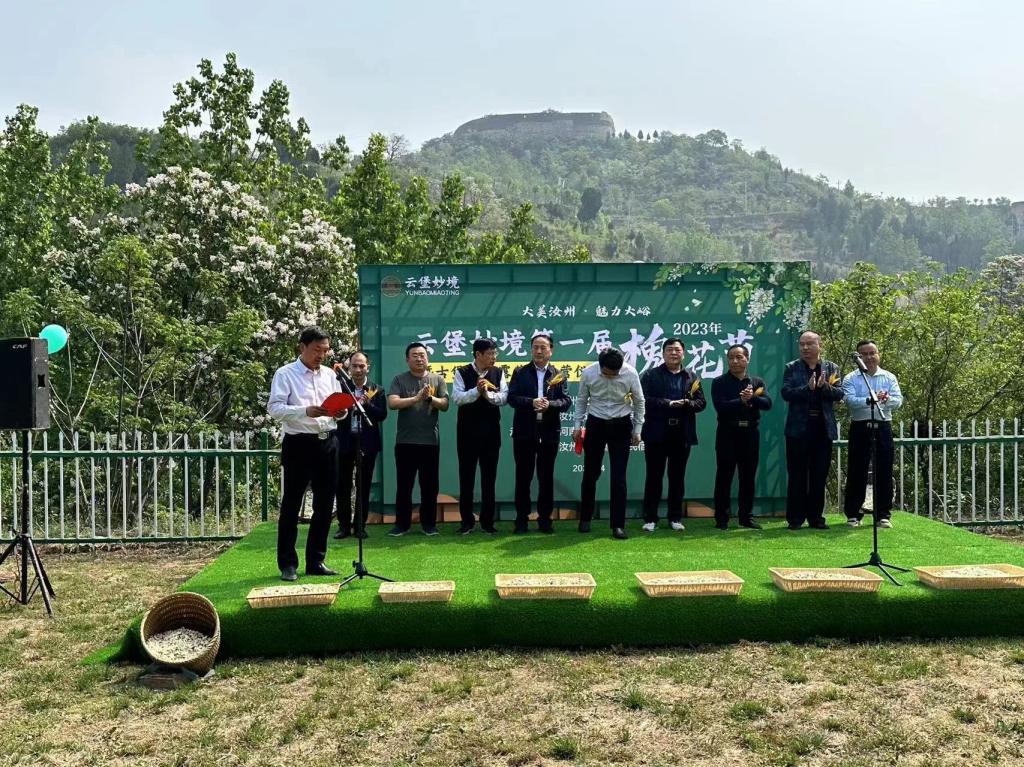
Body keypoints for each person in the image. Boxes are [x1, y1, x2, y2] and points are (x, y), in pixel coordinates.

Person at [266, 326, 343, 581]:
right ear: (302, 347)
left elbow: (336, 407)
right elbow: (275, 409)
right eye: (317, 350)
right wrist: (304, 411)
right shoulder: (285, 373)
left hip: (328, 442)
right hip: (299, 444)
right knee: (292, 504)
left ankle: (316, 561)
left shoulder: (330, 375)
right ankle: (288, 564)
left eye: (325, 350)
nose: (321, 355)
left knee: (325, 505)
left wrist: (340, 412)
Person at [572, 347, 645, 539]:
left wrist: (637, 429)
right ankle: (585, 518)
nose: (611, 376)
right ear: (600, 365)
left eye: (615, 373)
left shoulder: (630, 373)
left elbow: (639, 401)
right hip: (596, 423)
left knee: (618, 477)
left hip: (621, 424)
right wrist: (577, 426)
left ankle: (618, 525)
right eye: (607, 373)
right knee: (591, 473)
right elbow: (581, 400)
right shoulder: (589, 373)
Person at [507, 334, 572, 533]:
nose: (538, 351)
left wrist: (549, 404)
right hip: (524, 431)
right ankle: (521, 519)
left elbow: (566, 401)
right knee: (523, 477)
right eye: (535, 347)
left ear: (551, 350)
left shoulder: (558, 374)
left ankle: (545, 520)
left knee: (546, 477)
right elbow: (512, 398)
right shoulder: (520, 372)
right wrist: (531, 402)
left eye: (543, 347)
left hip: (549, 431)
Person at [639, 338, 705, 532]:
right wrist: (667, 403)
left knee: (677, 477)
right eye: (669, 350)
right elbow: (643, 400)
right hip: (657, 433)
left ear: (683, 353)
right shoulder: (651, 375)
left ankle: (675, 517)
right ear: (663, 353)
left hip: (682, 433)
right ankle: (650, 518)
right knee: (654, 476)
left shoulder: (692, 376)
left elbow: (701, 402)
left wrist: (688, 404)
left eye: (677, 350)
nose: (673, 353)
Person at [781, 331, 844, 530]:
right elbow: (786, 393)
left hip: (822, 429)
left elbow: (839, 393)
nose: (805, 348)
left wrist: (824, 387)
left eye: (809, 344)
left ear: (819, 345)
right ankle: (795, 519)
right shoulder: (792, 367)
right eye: (802, 344)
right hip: (798, 429)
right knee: (797, 476)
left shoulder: (831, 367)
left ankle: (816, 518)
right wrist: (806, 388)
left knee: (819, 475)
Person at [387, 342, 449, 536]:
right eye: (414, 355)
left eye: (422, 355)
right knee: (404, 486)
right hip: (405, 442)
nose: (419, 358)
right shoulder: (399, 379)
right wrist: (415, 398)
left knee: (429, 486)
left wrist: (429, 398)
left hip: (430, 442)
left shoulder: (437, 379)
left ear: (427, 358)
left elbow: (445, 404)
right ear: (407, 359)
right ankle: (402, 524)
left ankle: (429, 524)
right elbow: (392, 403)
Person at [842, 340, 903, 528]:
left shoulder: (889, 377)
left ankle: (883, 515)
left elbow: (898, 400)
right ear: (858, 357)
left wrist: (886, 399)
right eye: (864, 354)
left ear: (878, 354)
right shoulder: (851, 378)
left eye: (872, 353)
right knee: (857, 470)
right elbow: (850, 400)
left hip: (883, 425)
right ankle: (854, 514)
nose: (869, 357)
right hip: (860, 426)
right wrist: (871, 399)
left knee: (884, 470)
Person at [711, 344, 773, 530]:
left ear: (747, 359)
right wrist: (741, 401)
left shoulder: (756, 382)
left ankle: (746, 516)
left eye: (739, 357)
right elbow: (720, 406)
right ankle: (721, 518)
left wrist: (752, 398)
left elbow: (767, 403)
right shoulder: (719, 382)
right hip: (727, 433)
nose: (735, 361)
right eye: (731, 357)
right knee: (724, 476)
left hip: (750, 434)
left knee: (748, 476)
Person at [452, 338, 508, 534]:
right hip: (467, 434)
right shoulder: (462, 372)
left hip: (491, 434)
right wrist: (476, 391)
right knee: (466, 478)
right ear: (478, 354)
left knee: (489, 479)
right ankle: (466, 522)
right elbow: (457, 398)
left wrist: (488, 396)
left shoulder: (498, 372)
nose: (494, 357)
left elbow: (504, 397)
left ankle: (487, 522)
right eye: (490, 354)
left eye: (495, 353)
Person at [333, 351, 388, 540]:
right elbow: (333, 411)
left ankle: (360, 526)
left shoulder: (376, 389)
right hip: (344, 442)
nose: (358, 369)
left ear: (368, 368)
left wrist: (368, 405)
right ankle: (343, 526)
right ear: (349, 367)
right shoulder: (341, 387)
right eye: (354, 366)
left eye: (361, 366)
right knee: (343, 485)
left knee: (363, 485)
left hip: (367, 443)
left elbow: (382, 415)